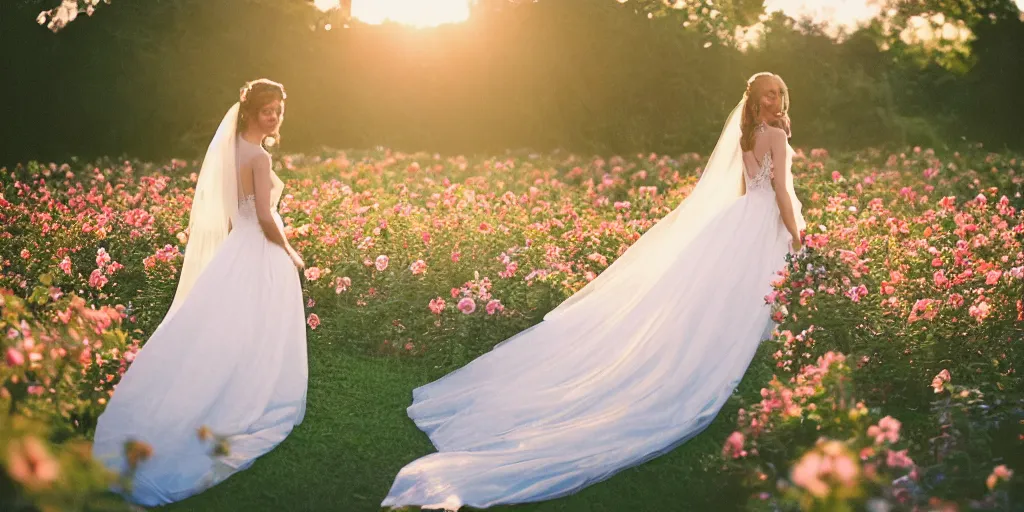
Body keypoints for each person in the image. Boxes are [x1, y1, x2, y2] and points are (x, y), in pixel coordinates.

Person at [382, 72, 806, 510]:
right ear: (755, 103)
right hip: (761, 223)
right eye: (768, 94)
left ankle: (741, 366)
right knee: (745, 299)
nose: (776, 99)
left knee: (725, 298)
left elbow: (748, 185)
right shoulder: (773, 134)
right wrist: (796, 234)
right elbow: (780, 191)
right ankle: (738, 369)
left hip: (741, 221)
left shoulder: (752, 134)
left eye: (779, 92)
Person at [92, 79, 308, 506]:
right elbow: (265, 217)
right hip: (259, 246)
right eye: (268, 110)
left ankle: (230, 376)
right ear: (250, 112)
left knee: (227, 323)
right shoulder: (259, 157)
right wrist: (291, 253)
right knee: (260, 323)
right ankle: (247, 388)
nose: (274, 117)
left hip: (237, 245)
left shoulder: (230, 149)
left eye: (278, 111)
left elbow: (233, 211)